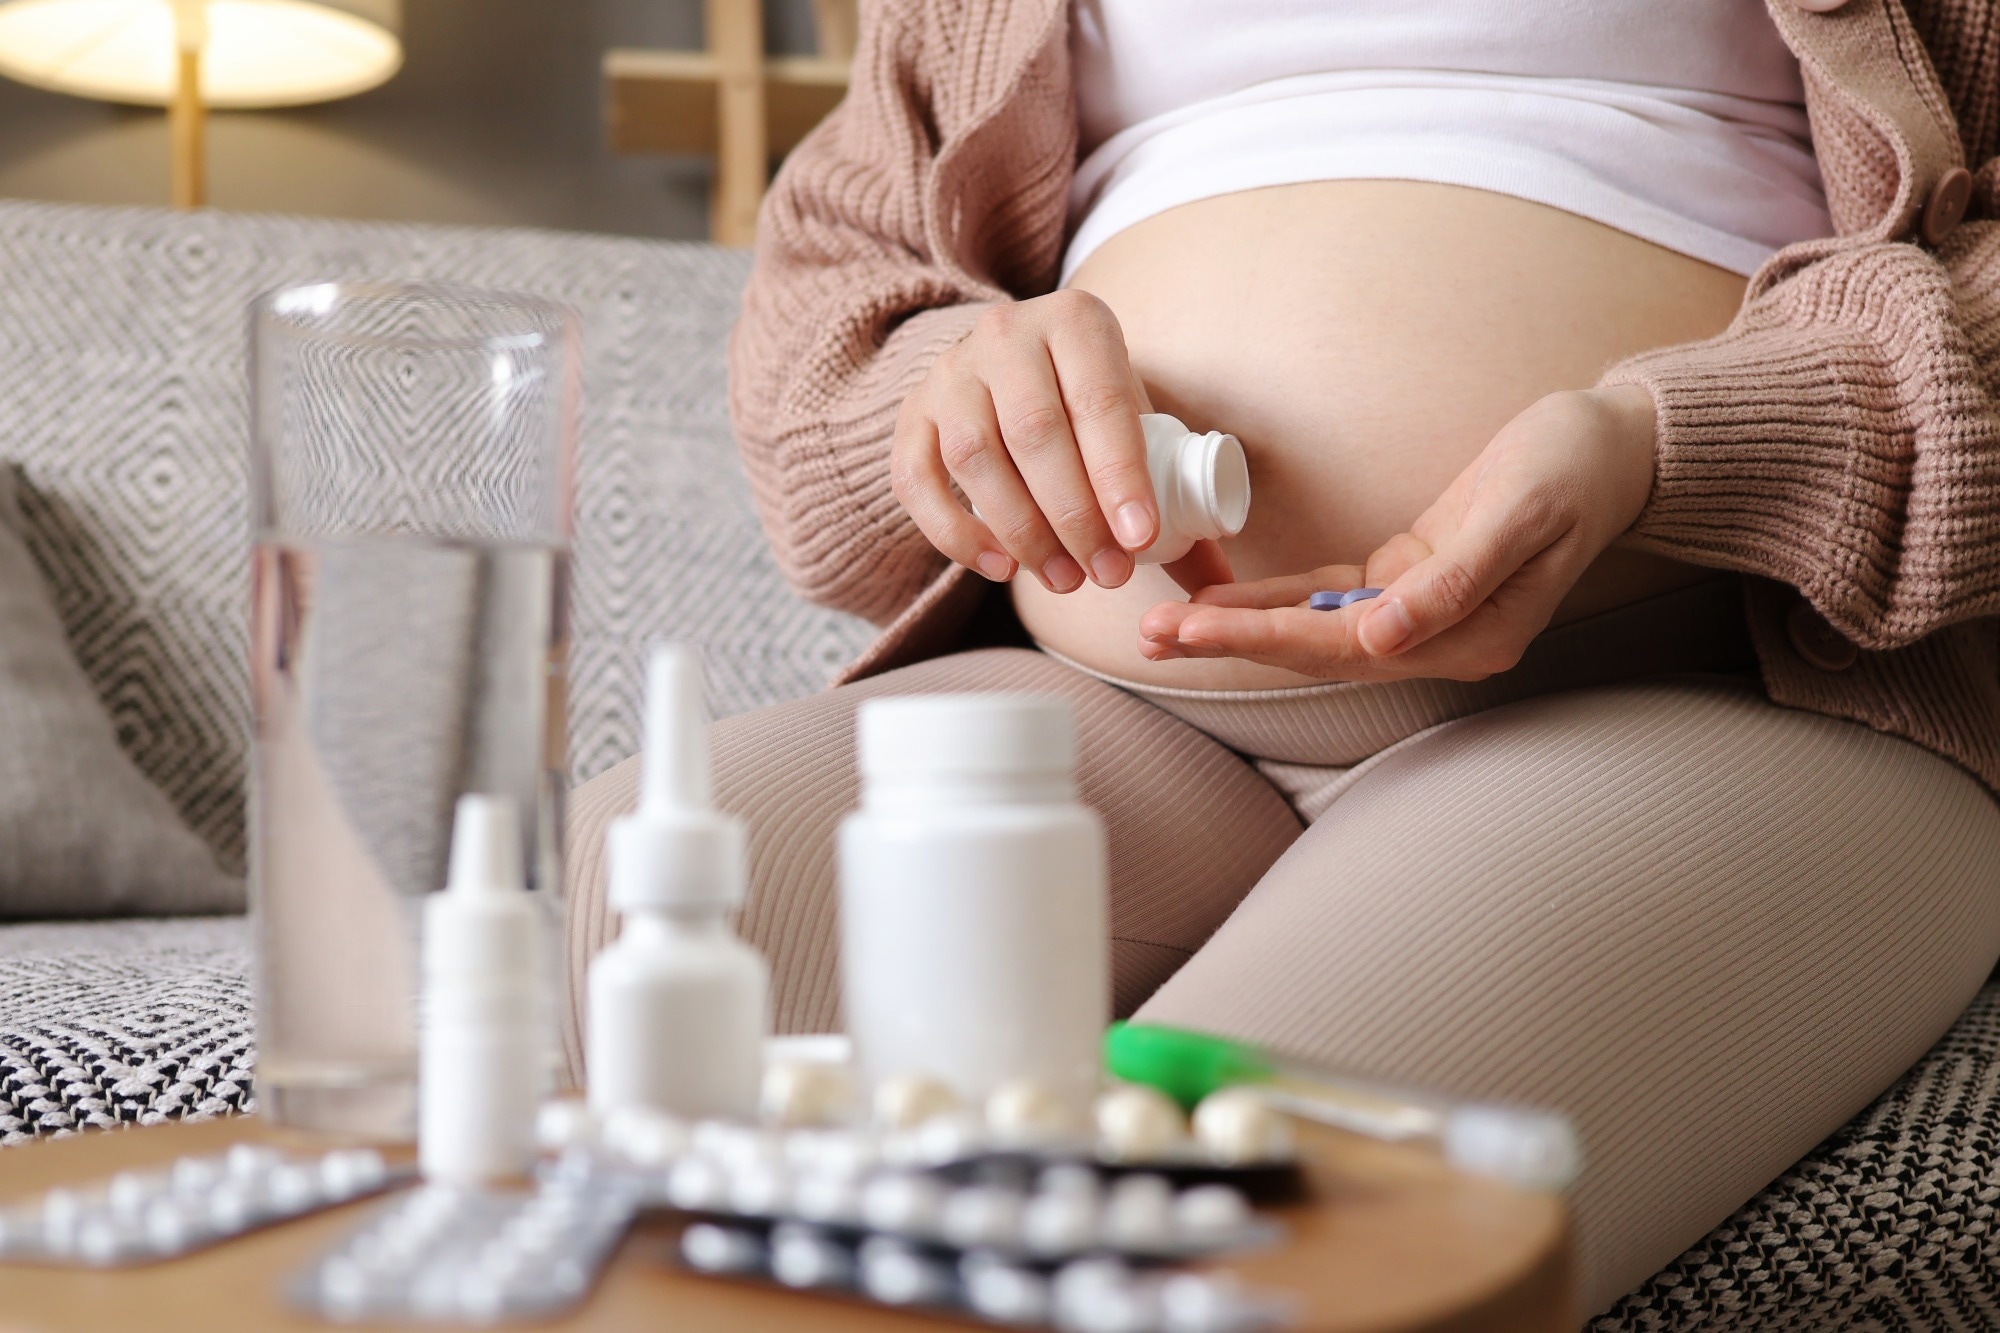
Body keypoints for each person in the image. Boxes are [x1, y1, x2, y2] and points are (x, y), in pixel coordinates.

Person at [565, 0, 2000, 1315]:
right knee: (633, 889)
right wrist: (951, 402)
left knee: (1186, 1247)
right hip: (1108, 709)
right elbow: (832, 289)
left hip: (1700, 689)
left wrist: (1674, 451)